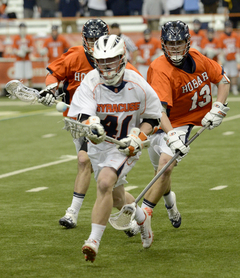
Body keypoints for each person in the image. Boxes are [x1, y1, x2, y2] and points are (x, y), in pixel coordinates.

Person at [67, 34, 176, 262]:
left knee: (104, 182)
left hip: (125, 146)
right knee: (116, 198)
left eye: (112, 60)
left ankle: (93, 241)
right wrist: (92, 124)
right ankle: (141, 217)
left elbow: (153, 117)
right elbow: (82, 114)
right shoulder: (90, 81)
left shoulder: (136, 83)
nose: (106, 66)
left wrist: (138, 136)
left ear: (123, 58)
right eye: (102, 60)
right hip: (100, 146)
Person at [38, 19, 142, 237]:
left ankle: (135, 216)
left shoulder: (118, 62)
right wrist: (50, 88)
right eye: (91, 39)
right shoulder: (75, 56)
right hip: (81, 121)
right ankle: (76, 212)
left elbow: (139, 88)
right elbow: (53, 73)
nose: (95, 44)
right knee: (91, 168)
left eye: (98, 39)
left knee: (110, 187)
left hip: (111, 125)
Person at [140, 20, 230, 230]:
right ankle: (171, 204)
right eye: (171, 44)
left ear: (187, 42)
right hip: (159, 121)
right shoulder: (159, 68)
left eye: (179, 42)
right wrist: (170, 135)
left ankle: (144, 215)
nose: (175, 48)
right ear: (163, 44)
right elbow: (159, 111)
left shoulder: (198, 58)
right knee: (160, 173)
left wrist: (218, 107)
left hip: (183, 122)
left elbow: (223, 80)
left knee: (166, 165)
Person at [218, 20, 239, 95]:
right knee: (225, 75)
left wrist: (238, 57)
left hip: (233, 58)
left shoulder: (235, 35)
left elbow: (237, 47)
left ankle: (234, 88)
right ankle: (226, 89)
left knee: (234, 74)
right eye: (227, 27)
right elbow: (220, 48)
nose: (228, 28)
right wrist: (221, 58)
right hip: (226, 59)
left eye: (229, 27)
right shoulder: (222, 36)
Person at [12, 23, 34, 87]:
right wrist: (19, 52)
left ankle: (31, 91)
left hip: (27, 59)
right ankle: (16, 92)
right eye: (21, 28)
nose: (22, 30)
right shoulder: (16, 38)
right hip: (19, 59)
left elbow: (32, 48)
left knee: (29, 76)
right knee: (17, 77)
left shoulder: (29, 37)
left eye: (23, 28)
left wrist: (27, 50)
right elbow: (14, 49)